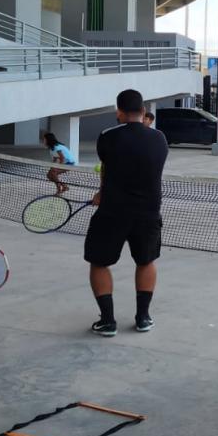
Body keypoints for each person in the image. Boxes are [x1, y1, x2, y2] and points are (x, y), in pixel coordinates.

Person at [86, 88, 168, 337]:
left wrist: (101, 192)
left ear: (118, 112)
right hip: (148, 212)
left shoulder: (107, 136)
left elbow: (107, 167)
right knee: (146, 261)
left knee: (99, 263)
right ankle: (143, 318)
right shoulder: (160, 138)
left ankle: (108, 322)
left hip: (113, 211)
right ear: (143, 112)